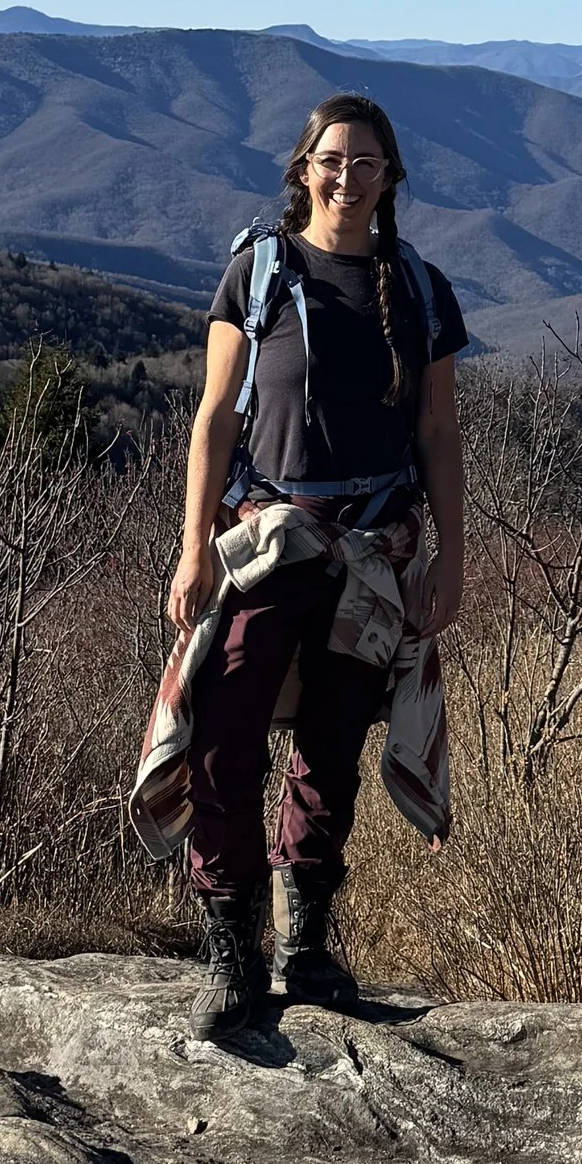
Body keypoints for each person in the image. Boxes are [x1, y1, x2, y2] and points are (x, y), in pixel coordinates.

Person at [135, 93, 468, 1038]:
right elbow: (215, 419)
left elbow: (439, 430)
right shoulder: (260, 273)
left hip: (374, 546)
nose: (348, 178)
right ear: (303, 168)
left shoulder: (420, 288)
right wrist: (193, 545)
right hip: (270, 537)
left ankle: (307, 945)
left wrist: (450, 551)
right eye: (333, 160)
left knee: (332, 745)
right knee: (222, 729)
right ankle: (231, 943)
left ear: (390, 178)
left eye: (368, 163)